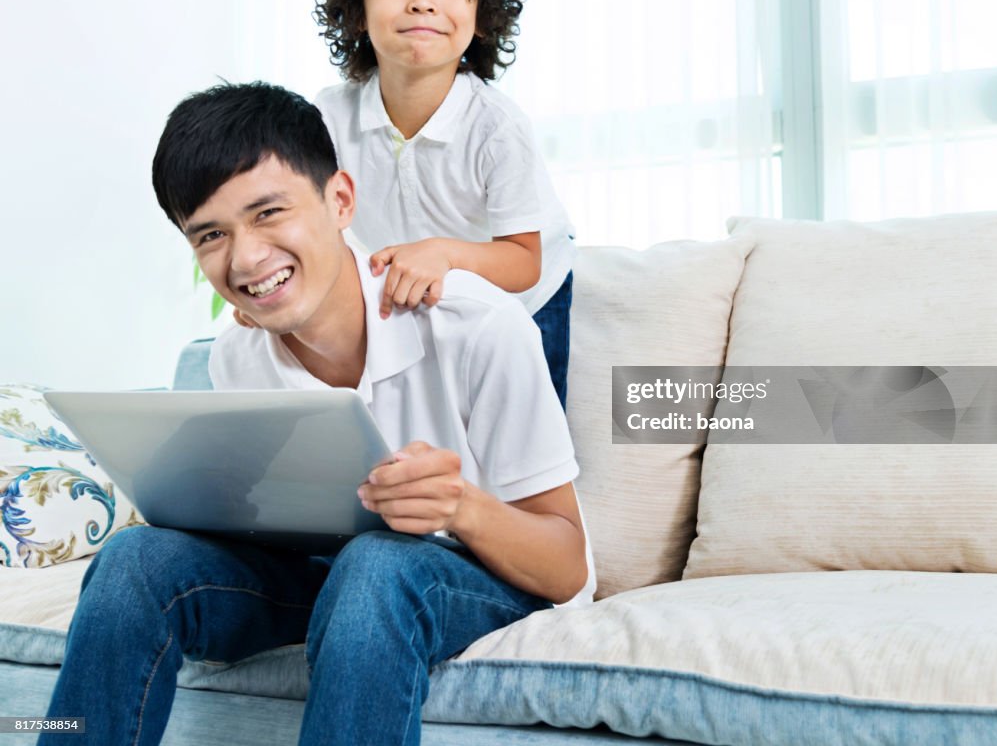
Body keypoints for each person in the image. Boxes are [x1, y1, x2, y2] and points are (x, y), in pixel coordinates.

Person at [41, 82, 592, 746]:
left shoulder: (477, 327)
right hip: (325, 578)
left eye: (269, 212)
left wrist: (459, 508)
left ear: (340, 201)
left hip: (470, 580)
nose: (244, 259)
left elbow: (567, 567)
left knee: (377, 565)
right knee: (134, 561)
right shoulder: (237, 357)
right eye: (211, 235)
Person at [312, 0, 575, 407]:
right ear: (357, 10)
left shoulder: (495, 125)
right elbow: (314, 229)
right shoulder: (329, 117)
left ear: (481, 15)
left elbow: (525, 263)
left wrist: (444, 254)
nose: (422, 0)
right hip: (420, 295)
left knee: (522, 446)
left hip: (525, 297)